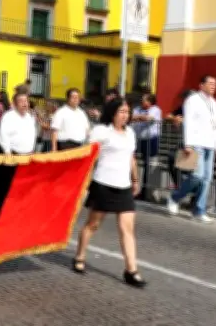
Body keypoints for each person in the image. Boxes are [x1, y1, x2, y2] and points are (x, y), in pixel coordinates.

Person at [73, 97, 146, 288]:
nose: (125, 115)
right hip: (103, 183)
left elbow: (131, 158)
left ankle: (131, 270)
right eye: (121, 112)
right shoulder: (101, 131)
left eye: (127, 112)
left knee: (127, 228)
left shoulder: (130, 133)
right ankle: (80, 255)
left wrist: (135, 179)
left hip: (123, 186)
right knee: (93, 224)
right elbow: (87, 155)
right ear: (112, 113)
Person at [167, 75, 216, 223]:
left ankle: (199, 210)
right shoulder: (193, 100)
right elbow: (188, 121)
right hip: (196, 143)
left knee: (207, 179)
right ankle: (175, 197)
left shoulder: (214, 103)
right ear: (201, 85)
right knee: (197, 175)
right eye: (210, 83)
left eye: (215, 84)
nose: (213, 86)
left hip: (209, 144)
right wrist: (188, 143)